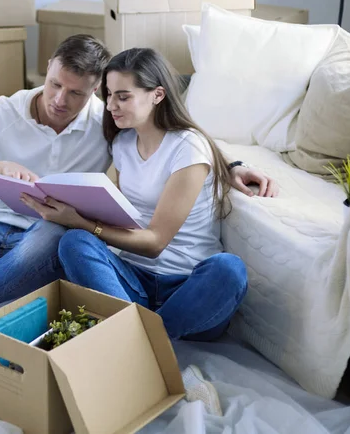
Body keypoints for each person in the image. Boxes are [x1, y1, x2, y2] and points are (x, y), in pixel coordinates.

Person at [0, 35, 276, 392]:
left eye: (78, 93)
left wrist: (230, 168)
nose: (60, 99)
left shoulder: (111, 124)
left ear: (94, 91)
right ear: (47, 68)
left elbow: (177, 137)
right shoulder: (14, 113)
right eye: (55, 84)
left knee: (65, 235)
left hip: (46, 250)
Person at [20, 47, 276, 345]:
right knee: (74, 242)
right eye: (110, 94)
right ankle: (147, 340)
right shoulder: (123, 143)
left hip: (188, 290)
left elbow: (155, 243)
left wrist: (80, 221)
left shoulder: (188, 148)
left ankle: (142, 343)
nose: (112, 105)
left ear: (157, 95)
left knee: (229, 269)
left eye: (123, 96)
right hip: (133, 282)